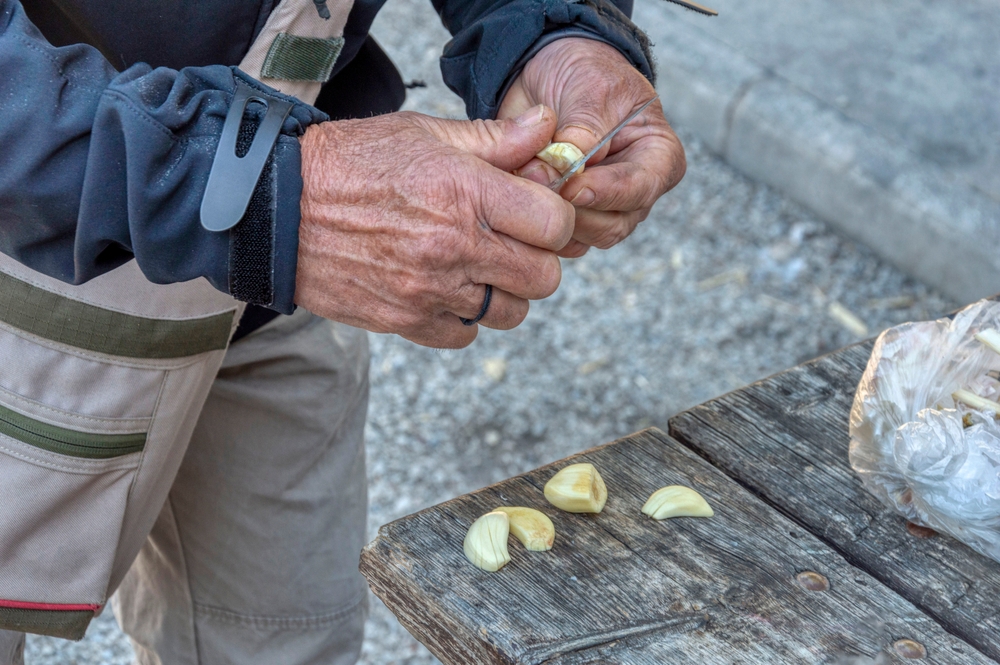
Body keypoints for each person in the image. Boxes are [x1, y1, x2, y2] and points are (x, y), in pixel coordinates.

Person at [0, 0, 685, 663]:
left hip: (273, 287)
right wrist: (260, 194)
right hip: (37, 246)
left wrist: (551, 28)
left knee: (288, 638)